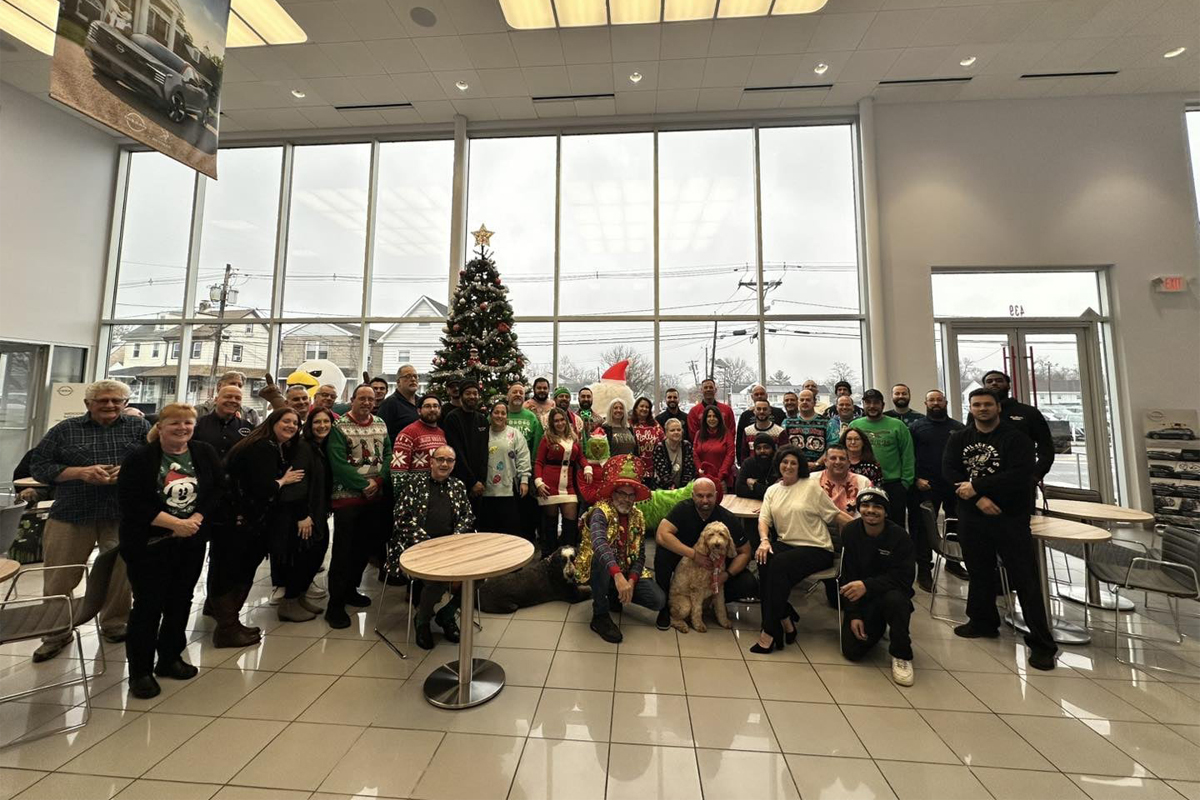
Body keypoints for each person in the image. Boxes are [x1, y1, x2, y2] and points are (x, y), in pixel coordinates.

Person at [28, 379, 149, 662]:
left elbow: (155, 463)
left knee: (120, 575)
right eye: (103, 400)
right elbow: (38, 466)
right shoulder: (64, 430)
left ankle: (114, 624)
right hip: (72, 512)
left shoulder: (139, 428)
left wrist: (128, 472)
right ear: (88, 404)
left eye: (116, 401)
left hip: (120, 513)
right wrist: (79, 472)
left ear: (125, 404)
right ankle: (56, 632)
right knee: (60, 577)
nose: (110, 405)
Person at [943, 389, 1057, 671]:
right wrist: (978, 499)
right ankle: (982, 621)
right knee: (979, 571)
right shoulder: (960, 438)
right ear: (970, 408)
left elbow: (1020, 475)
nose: (982, 409)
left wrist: (978, 487)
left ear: (998, 408)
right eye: (976, 405)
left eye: (987, 404)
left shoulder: (1016, 439)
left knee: (1024, 578)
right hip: (972, 515)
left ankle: (1042, 643)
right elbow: (950, 471)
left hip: (1010, 516)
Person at [116, 403, 221, 699]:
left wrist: (196, 519)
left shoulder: (203, 452)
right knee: (148, 606)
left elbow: (216, 490)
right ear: (160, 426)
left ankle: (170, 657)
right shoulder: (140, 458)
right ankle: (140, 672)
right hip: (149, 544)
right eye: (175, 422)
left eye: (188, 423)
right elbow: (131, 502)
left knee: (181, 600)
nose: (182, 428)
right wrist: (174, 524)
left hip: (190, 540)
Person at [226, 409, 325, 624]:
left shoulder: (281, 445)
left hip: (254, 516)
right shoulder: (266, 447)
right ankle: (229, 623)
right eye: (286, 421)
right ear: (273, 422)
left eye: (295, 423)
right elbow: (277, 485)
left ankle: (296, 600)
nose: (291, 426)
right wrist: (301, 512)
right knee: (246, 570)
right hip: (246, 519)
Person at [751, 446, 852, 654]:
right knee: (764, 559)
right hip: (788, 544)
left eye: (793, 463)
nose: (788, 466)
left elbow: (836, 515)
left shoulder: (811, 487)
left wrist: (868, 529)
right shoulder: (773, 490)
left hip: (817, 548)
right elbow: (764, 519)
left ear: (800, 467)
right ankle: (785, 616)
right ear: (778, 464)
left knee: (778, 565)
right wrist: (764, 541)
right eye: (784, 462)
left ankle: (769, 631)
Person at [390, 445, 475, 649]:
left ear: (454, 464)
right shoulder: (414, 484)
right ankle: (422, 620)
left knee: (479, 575)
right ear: (431, 461)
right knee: (437, 579)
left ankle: (447, 614)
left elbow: (468, 516)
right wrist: (428, 543)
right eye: (440, 459)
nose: (444, 464)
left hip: (452, 547)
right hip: (418, 547)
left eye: (449, 460)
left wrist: (455, 538)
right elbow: (401, 518)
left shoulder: (458, 485)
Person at [577, 456, 665, 643]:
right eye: (622, 494)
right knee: (600, 558)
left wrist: (631, 581)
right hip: (602, 569)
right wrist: (617, 575)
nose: (627, 499)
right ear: (613, 493)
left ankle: (615, 594)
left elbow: (640, 554)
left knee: (658, 600)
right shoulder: (600, 511)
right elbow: (599, 542)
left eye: (631, 495)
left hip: (626, 569)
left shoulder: (638, 516)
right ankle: (600, 615)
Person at [324, 384, 392, 629]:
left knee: (364, 548)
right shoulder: (339, 427)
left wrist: (379, 480)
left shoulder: (380, 424)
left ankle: (351, 589)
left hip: (374, 498)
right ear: (352, 400)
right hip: (348, 499)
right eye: (362, 398)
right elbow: (337, 462)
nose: (366, 402)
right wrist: (363, 484)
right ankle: (335, 604)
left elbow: (388, 454)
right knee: (344, 551)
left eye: (370, 399)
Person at [653, 477, 758, 630]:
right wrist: (694, 555)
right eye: (700, 496)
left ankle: (711, 604)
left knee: (749, 583)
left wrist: (726, 575)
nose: (705, 500)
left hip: (718, 568)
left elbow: (745, 552)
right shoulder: (683, 509)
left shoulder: (727, 518)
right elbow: (661, 535)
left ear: (716, 495)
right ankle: (665, 608)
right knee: (663, 552)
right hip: (686, 559)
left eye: (709, 496)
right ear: (692, 496)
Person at [838, 488, 916, 687]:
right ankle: (878, 624)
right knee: (852, 651)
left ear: (886, 512)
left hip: (890, 593)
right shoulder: (850, 532)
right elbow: (848, 576)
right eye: (865, 505)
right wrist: (854, 615)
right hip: (861, 596)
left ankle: (901, 654)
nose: (871, 510)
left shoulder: (900, 537)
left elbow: (904, 579)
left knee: (896, 601)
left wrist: (867, 585)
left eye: (877, 507)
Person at [909, 389, 968, 590]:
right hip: (926, 485)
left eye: (939, 400)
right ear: (925, 403)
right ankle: (924, 570)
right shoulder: (916, 427)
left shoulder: (958, 428)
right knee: (924, 528)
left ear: (946, 402)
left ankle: (953, 563)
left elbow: (965, 457)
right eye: (931, 400)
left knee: (955, 524)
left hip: (954, 486)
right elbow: (909, 456)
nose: (936, 403)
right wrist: (916, 479)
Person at [980, 370, 1056, 491]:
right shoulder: (977, 415)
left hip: (1021, 483)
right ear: (984, 387)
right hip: (983, 482)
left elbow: (1046, 448)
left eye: (999, 380)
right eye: (989, 381)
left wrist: (1035, 476)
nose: (994, 383)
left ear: (1008, 385)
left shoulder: (1029, 412)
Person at [849, 389, 914, 527]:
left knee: (895, 526)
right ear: (863, 405)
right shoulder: (855, 425)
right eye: (868, 402)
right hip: (862, 483)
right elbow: (847, 452)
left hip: (893, 484)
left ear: (883, 405)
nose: (872, 406)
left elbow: (907, 454)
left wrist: (905, 483)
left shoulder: (898, 425)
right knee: (863, 524)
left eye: (876, 403)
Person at [534, 407, 593, 555]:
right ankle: (549, 558)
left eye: (562, 420)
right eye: (556, 421)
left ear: (566, 421)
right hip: (549, 486)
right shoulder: (547, 439)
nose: (559, 423)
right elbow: (539, 462)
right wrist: (539, 482)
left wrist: (587, 468)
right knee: (550, 526)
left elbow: (580, 457)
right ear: (551, 423)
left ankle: (569, 557)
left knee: (570, 526)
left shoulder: (574, 438)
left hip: (568, 487)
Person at [478, 400, 531, 537]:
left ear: (507, 416)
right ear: (491, 415)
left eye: (503, 413)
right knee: (488, 532)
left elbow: (523, 457)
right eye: (496, 412)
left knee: (509, 531)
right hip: (486, 490)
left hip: (509, 489)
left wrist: (524, 480)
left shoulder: (515, 434)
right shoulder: (483, 434)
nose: (499, 416)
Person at [301, 408, 335, 602]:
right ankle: (292, 599)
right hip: (306, 511)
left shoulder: (326, 446)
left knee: (319, 548)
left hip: (320, 508)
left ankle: (300, 596)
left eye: (326, 421)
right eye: (317, 422)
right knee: (307, 552)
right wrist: (303, 514)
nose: (322, 426)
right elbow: (298, 484)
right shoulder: (304, 447)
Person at [440, 382, 489, 510]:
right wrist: (472, 482)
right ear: (461, 396)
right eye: (468, 393)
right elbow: (456, 452)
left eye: (475, 393)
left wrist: (481, 481)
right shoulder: (452, 418)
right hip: (459, 481)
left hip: (479, 485)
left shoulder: (483, 420)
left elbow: (485, 452)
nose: (472, 396)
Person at [391, 395, 447, 485]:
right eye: (427, 406)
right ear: (419, 411)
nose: (432, 409)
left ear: (440, 409)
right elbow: (398, 471)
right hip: (416, 490)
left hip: (438, 488)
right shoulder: (408, 433)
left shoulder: (442, 433)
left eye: (435, 406)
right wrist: (402, 491)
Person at [778, 389, 825, 471]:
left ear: (814, 402)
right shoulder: (787, 422)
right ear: (798, 402)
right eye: (802, 400)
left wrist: (817, 463)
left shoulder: (827, 422)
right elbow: (783, 448)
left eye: (808, 400)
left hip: (819, 469)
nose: (804, 402)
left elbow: (832, 447)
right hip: (794, 469)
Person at [195, 371, 262, 427]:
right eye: (232, 384)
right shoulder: (199, 411)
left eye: (240, 385)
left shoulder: (251, 414)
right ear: (219, 386)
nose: (237, 387)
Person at [819, 444, 873, 514]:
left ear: (849, 462)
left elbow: (869, 510)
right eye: (833, 458)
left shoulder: (863, 482)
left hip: (855, 520)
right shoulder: (813, 480)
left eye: (842, 459)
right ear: (825, 461)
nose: (838, 462)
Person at [686, 378, 735, 452]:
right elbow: (693, 434)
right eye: (705, 387)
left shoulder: (727, 410)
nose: (708, 389)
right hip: (703, 452)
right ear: (701, 390)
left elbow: (731, 432)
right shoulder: (694, 412)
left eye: (711, 387)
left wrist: (725, 447)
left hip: (723, 452)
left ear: (715, 390)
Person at [693, 406, 734, 490]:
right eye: (709, 416)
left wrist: (719, 476)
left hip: (721, 480)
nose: (712, 419)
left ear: (719, 418)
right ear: (705, 419)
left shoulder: (727, 434)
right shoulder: (698, 434)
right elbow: (695, 454)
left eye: (714, 416)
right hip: (702, 480)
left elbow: (730, 455)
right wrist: (701, 473)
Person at [653, 418, 696, 491]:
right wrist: (673, 488)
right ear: (666, 432)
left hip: (684, 488)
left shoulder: (687, 445)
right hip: (664, 489)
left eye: (678, 430)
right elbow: (662, 472)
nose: (676, 432)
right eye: (672, 430)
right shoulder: (659, 447)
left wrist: (682, 489)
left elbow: (689, 468)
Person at [738, 399, 784, 468]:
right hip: (752, 471)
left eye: (765, 409)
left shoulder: (780, 432)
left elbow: (783, 455)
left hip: (773, 471)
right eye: (758, 409)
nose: (761, 412)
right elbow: (744, 455)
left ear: (770, 411)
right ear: (754, 411)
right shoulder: (747, 431)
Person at [630, 397, 664, 482]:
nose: (644, 409)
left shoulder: (655, 424)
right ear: (636, 408)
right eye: (642, 406)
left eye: (647, 407)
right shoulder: (629, 424)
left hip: (652, 469)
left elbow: (663, 441)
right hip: (633, 468)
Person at [736, 433, 777, 501]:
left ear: (773, 449)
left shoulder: (779, 464)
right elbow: (739, 490)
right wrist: (765, 491)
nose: (762, 451)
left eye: (766, 447)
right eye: (758, 448)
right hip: (751, 503)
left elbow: (778, 494)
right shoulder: (748, 463)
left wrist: (755, 485)